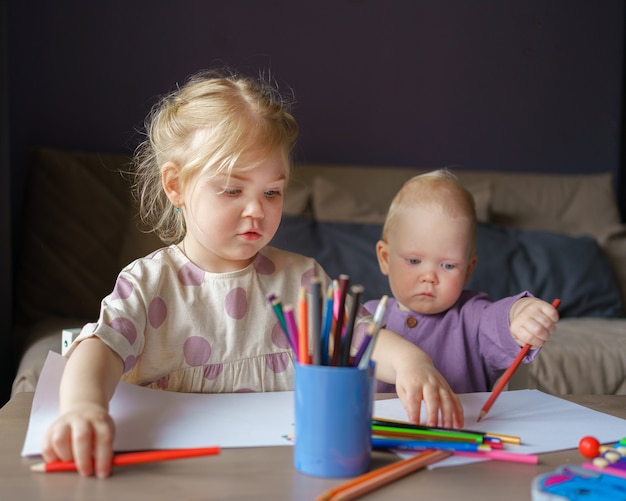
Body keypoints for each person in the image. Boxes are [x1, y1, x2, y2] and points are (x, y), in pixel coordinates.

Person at [41, 69, 463, 478]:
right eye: (232, 189)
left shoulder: (301, 280)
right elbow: (98, 349)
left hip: (287, 475)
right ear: (176, 186)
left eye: (272, 192)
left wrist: (412, 362)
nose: (256, 209)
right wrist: (83, 409)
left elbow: (360, 338)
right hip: (178, 479)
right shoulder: (150, 285)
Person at [365, 169, 560, 395]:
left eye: (448, 265)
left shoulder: (473, 316)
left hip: (461, 428)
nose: (429, 277)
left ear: (468, 270)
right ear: (385, 258)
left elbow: (499, 322)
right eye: (414, 260)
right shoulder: (366, 318)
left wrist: (521, 312)